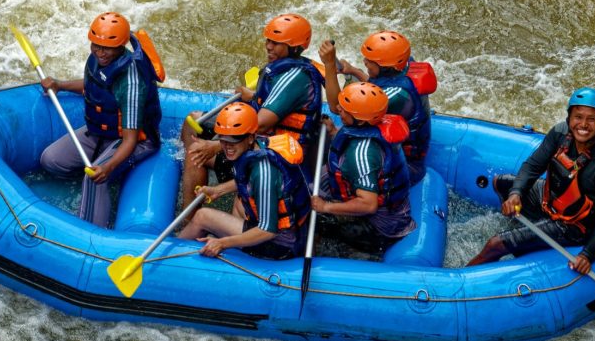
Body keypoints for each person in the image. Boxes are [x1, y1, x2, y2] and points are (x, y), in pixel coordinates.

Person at [467, 87, 595, 274]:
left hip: (575, 225)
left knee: (495, 244)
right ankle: (522, 233)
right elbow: (533, 166)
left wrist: (588, 254)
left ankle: (458, 284)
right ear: (569, 117)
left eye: (591, 119)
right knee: (501, 183)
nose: (583, 125)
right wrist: (515, 194)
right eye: (578, 117)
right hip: (551, 200)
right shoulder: (561, 133)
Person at [180, 13, 324, 205]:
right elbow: (278, 103)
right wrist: (254, 97)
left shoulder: (295, 78)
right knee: (193, 120)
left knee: (195, 154)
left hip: (274, 153)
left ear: (294, 46)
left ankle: (190, 218)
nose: (268, 46)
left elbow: (262, 124)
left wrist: (215, 146)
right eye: (268, 40)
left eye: (276, 43)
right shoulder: (288, 67)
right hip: (260, 139)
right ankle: (200, 175)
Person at [39, 12, 164, 227]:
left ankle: (90, 234)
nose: (100, 52)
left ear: (121, 46)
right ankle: (104, 184)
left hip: (136, 140)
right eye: (96, 45)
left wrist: (109, 167)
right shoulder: (97, 59)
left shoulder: (131, 82)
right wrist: (60, 84)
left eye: (107, 47)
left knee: (94, 179)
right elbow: (93, 85)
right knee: (50, 160)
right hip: (102, 133)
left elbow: (130, 140)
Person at [178, 103, 311, 259]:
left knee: (202, 216)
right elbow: (246, 180)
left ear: (250, 137)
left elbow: (268, 230)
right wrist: (218, 190)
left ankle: (173, 254)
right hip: (287, 229)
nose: (227, 147)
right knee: (240, 201)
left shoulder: (264, 172)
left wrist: (223, 243)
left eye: (234, 140)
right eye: (223, 140)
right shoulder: (259, 145)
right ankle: (238, 248)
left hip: (280, 244)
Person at [317, 31, 435, 184]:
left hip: (406, 167)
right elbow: (377, 88)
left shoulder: (396, 96)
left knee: (319, 180)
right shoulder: (401, 67)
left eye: (370, 60)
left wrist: (329, 65)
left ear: (385, 67)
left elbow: (337, 108)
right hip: (400, 153)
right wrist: (355, 71)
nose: (365, 62)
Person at [311, 82, 416, 253]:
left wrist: (325, 207)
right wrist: (333, 131)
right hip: (393, 212)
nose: (338, 109)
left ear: (360, 121)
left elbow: (368, 205)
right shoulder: (375, 126)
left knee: (313, 216)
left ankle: (328, 254)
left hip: (381, 229)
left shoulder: (361, 154)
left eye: (344, 109)